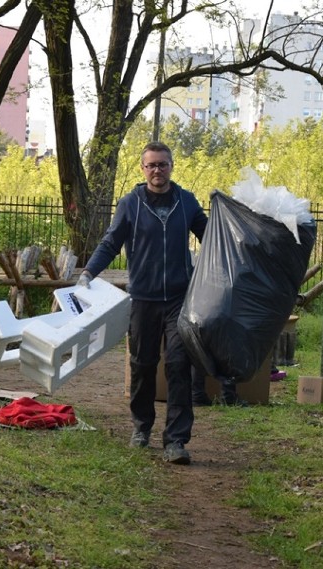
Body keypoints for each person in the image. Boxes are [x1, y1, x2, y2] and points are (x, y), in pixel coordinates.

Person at [77, 141, 207, 465]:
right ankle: (141, 428)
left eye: (163, 164)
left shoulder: (186, 202)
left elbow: (211, 236)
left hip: (180, 299)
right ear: (142, 169)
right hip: (144, 299)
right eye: (151, 165)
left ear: (171, 166)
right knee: (142, 365)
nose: (157, 170)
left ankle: (176, 440)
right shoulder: (130, 204)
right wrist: (88, 273)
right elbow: (111, 242)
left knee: (179, 364)